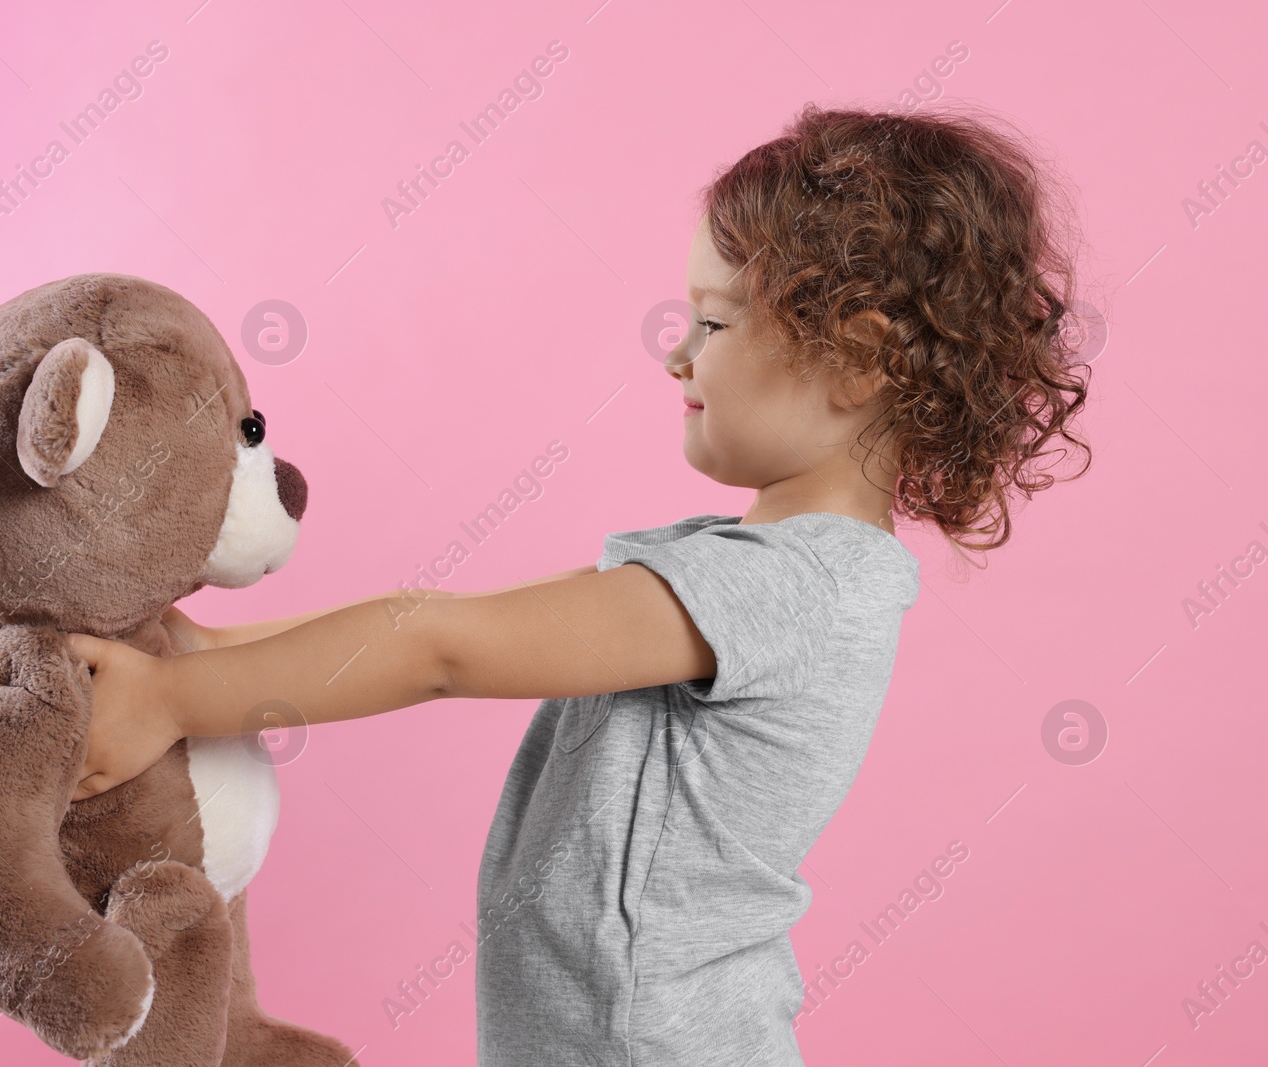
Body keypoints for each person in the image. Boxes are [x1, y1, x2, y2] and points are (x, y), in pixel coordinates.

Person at [64, 102, 1092, 1065]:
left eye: (716, 323)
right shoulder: (730, 569)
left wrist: (171, 699)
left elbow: (442, 646)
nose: (677, 356)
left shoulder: (792, 587)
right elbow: (462, 621)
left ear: (856, 360)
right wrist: (199, 648)